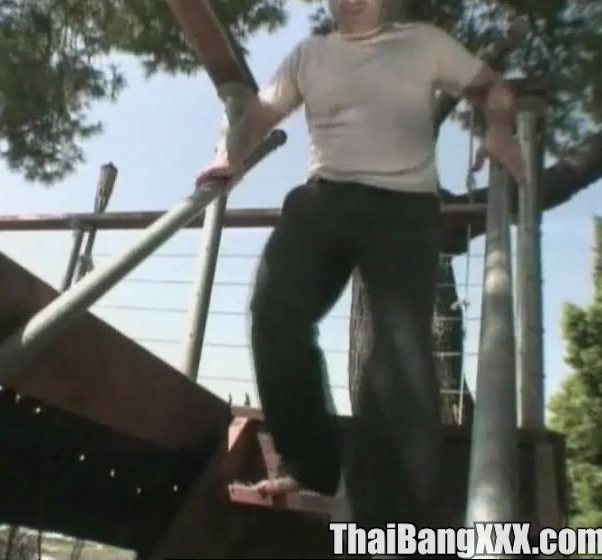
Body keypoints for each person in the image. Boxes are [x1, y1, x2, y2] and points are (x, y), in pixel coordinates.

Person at [195, 0, 526, 527]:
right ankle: (309, 464)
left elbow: (493, 89)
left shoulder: (424, 42)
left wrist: (500, 129)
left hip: (405, 207)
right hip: (324, 198)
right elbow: (258, 115)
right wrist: (228, 157)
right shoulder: (310, 54)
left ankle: (387, 512)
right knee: (275, 311)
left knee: (400, 349)